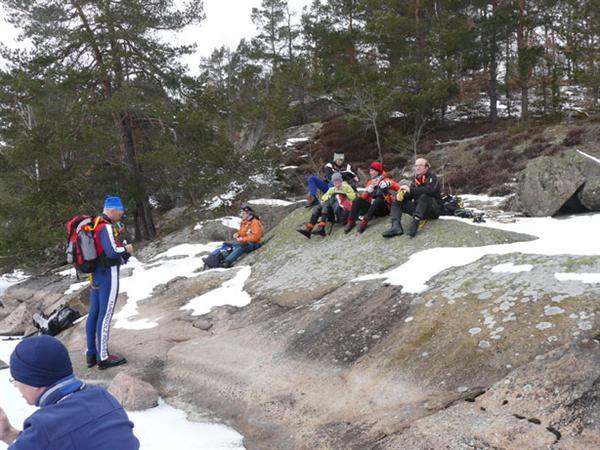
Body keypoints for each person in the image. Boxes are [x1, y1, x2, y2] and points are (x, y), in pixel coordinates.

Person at [0, 335, 140, 449]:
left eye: (15, 379)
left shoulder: (44, 426)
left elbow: (50, 437)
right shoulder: (104, 397)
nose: (15, 386)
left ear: (34, 381)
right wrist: (8, 434)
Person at [86, 196, 133, 370]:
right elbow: (113, 252)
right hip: (108, 274)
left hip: (95, 273)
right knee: (105, 314)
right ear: (112, 210)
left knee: (94, 313)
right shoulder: (105, 226)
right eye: (120, 212)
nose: (121, 216)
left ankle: (91, 354)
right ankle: (104, 357)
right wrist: (126, 250)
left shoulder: (93, 224)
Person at [382, 157, 443, 238]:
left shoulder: (432, 177)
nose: (418, 167)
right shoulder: (416, 180)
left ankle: (415, 223)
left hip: (434, 209)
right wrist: (403, 195)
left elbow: (430, 190)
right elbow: (411, 195)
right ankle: (396, 227)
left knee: (424, 196)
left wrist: (410, 190)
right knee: (397, 202)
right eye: (416, 165)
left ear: (426, 167)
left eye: (421, 165)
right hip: (420, 210)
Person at [345, 161, 400, 234]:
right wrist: (367, 191)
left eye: (372, 171)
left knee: (379, 198)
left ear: (377, 172)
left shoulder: (386, 180)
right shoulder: (370, 182)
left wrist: (388, 184)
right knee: (357, 200)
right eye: (370, 171)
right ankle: (351, 221)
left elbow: (399, 188)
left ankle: (365, 221)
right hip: (373, 209)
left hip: (385, 208)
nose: (370, 173)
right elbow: (363, 197)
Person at [297, 172, 356, 238]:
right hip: (331, 211)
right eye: (334, 181)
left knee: (327, 203)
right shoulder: (331, 189)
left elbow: (353, 197)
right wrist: (330, 196)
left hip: (341, 210)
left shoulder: (347, 187)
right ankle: (309, 229)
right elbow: (323, 198)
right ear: (333, 182)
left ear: (341, 181)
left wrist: (341, 193)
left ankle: (321, 227)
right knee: (317, 207)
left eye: (338, 181)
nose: (336, 183)